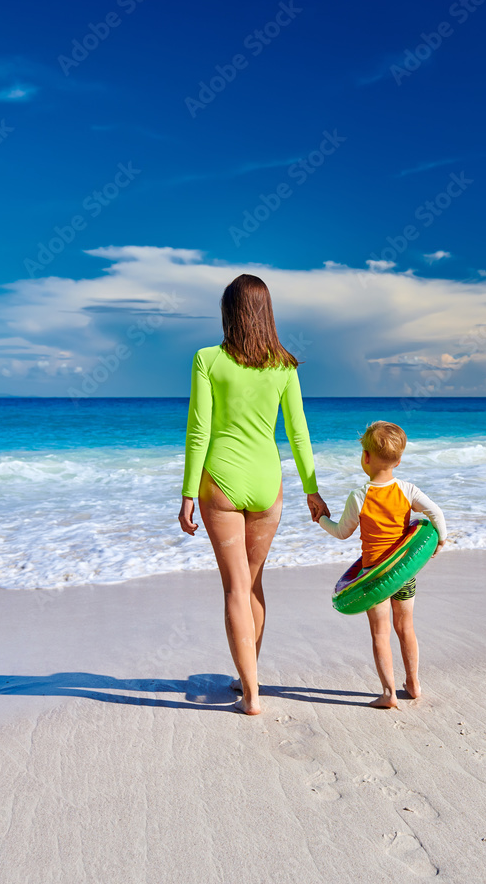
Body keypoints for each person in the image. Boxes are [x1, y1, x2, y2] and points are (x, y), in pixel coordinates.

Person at [178, 274, 329, 715]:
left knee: (234, 588)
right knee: (254, 583)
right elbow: (298, 432)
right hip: (268, 485)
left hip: (220, 481)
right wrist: (311, 489)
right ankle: (250, 681)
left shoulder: (207, 358)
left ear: (229, 312)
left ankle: (251, 694)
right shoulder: (283, 366)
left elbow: (199, 429)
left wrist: (188, 492)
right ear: (266, 313)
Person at [316, 421, 446, 709]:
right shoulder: (407, 489)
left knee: (380, 633)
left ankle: (388, 694)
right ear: (398, 461)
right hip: (403, 574)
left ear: (365, 457)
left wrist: (321, 520)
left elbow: (341, 532)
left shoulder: (359, 496)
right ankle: (413, 683)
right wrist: (441, 540)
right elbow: (435, 513)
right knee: (406, 627)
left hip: (374, 579)